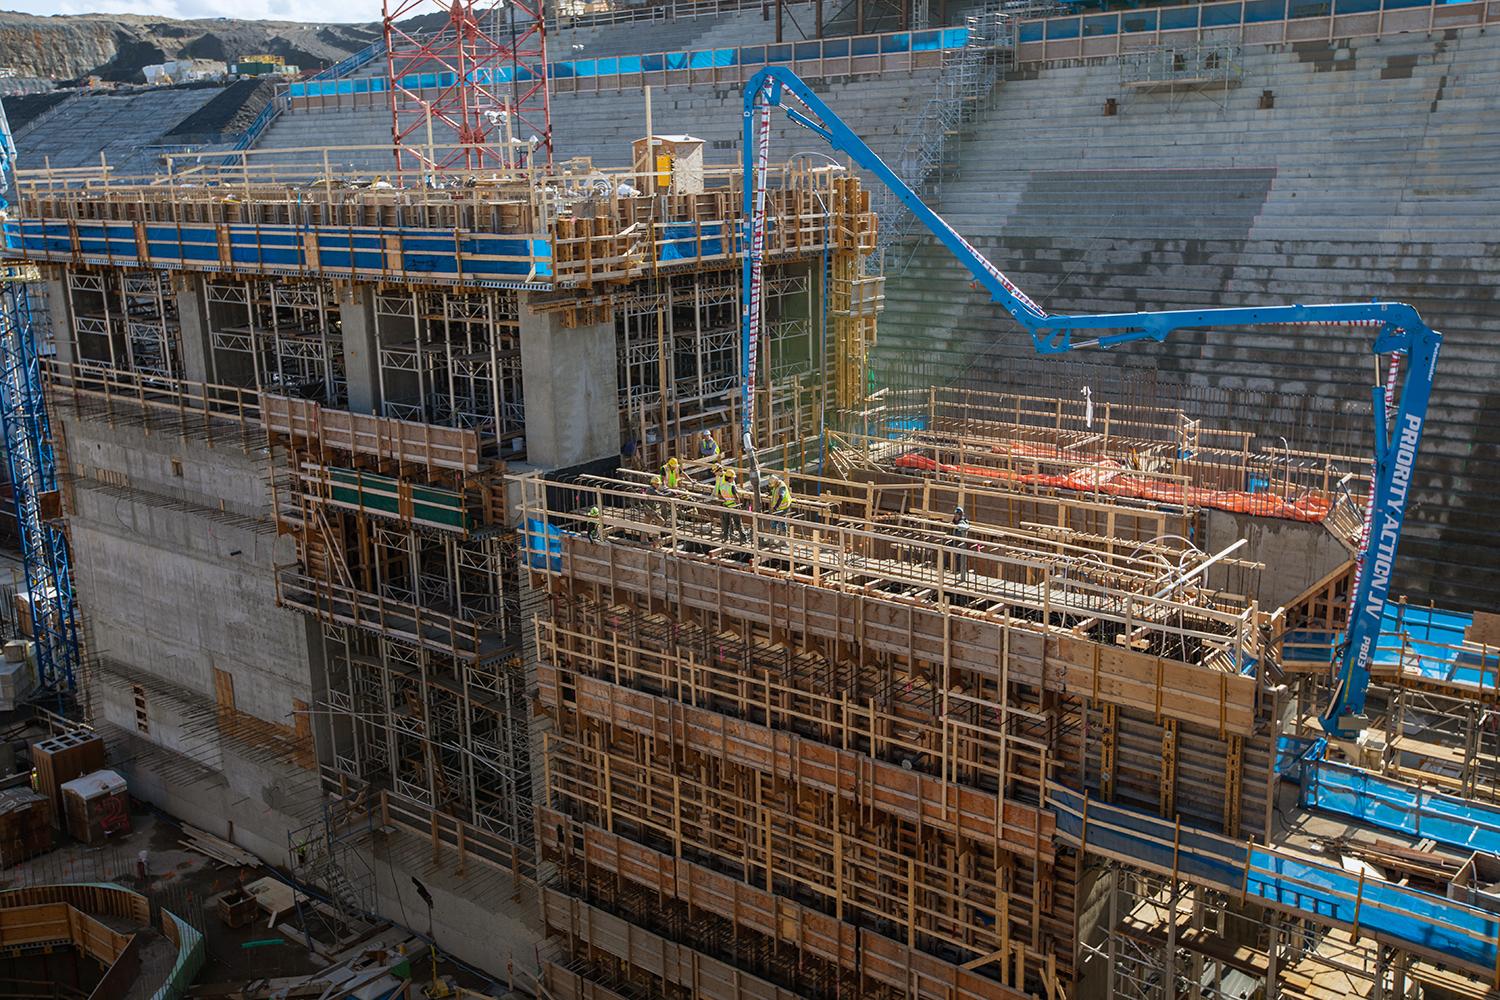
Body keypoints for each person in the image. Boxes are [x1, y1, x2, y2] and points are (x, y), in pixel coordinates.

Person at [714, 465, 746, 544]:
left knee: (726, 523)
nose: (734, 479)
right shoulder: (732, 487)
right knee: (738, 523)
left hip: (726, 506)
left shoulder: (722, 486)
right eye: (733, 478)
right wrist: (740, 506)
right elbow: (737, 497)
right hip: (734, 506)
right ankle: (743, 539)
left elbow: (719, 495)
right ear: (729, 478)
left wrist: (725, 500)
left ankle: (726, 537)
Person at [950, 505, 970, 578]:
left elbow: (965, 526)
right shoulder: (955, 521)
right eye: (955, 514)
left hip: (961, 542)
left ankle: (960, 572)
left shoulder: (962, 522)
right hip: (955, 541)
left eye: (957, 515)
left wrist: (959, 526)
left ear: (960, 515)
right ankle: (953, 569)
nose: (955, 516)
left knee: (960, 557)